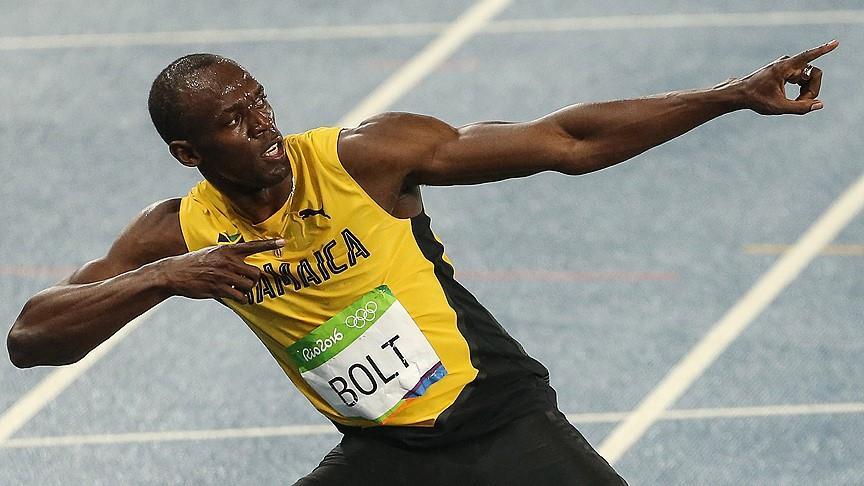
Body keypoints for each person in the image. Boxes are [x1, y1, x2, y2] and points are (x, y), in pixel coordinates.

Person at [7, 39, 837, 485]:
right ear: (188, 152)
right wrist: (164, 278)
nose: (262, 124)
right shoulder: (179, 232)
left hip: (498, 423)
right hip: (383, 456)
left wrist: (728, 96)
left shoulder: (365, 158)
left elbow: (566, 142)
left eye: (259, 100)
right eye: (233, 120)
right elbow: (30, 339)